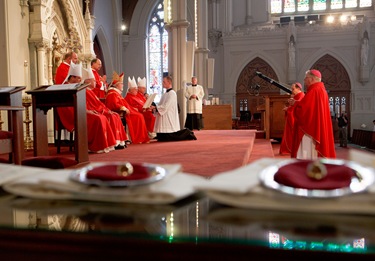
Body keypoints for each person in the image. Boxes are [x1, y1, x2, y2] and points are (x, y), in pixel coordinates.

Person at [57, 63, 125, 153]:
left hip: (81, 111)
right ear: (72, 77)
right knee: (98, 118)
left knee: (101, 117)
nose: (80, 80)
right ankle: (94, 146)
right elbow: (68, 107)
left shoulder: (78, 87)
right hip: (73, 114)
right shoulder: (65, 88)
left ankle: (102, 145)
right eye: (78, 78)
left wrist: (90, 110)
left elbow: (86, 103)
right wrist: (87, 111)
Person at [291, 69, 336, 159]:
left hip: (311, 130)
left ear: (311, 79)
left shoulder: (314, 91)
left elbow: (304, 111)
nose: (304, 80)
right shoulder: (322, 90)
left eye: (306, 78)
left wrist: (295, 104)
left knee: (308, 154)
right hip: (317, 127)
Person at [105, 72, 150, 144]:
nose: (123, 85)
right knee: (138, 116)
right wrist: (124, 108)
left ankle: (141, 137)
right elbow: (114, 104)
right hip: (121, 112)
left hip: (127, 110)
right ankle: (137, 137)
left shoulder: (116, 93)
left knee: (140, 115)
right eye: (121, 84)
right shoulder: (112, 93)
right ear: (117, 85)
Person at [153, 76, 197, 141]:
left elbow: (166, 106)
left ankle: (187, 133)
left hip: (169, 117)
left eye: (164, 82)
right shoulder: (165, 94)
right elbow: (160, 105)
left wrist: (156, 107)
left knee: (171, 137)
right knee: (162, 138)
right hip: (164, 116)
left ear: (169, 82)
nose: (162, 83)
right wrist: (154, 107)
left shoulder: (172, 93)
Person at [279, 82, 304, 155]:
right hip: (291, 117)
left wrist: (288, 109)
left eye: (293, 89)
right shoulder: (297, 95)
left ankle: (289, 149)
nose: (292, 90)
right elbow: (293, 106)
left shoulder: (301, 95)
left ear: (298, 88)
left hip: (295, 119)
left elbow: (297, 107)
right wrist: (288, 108)